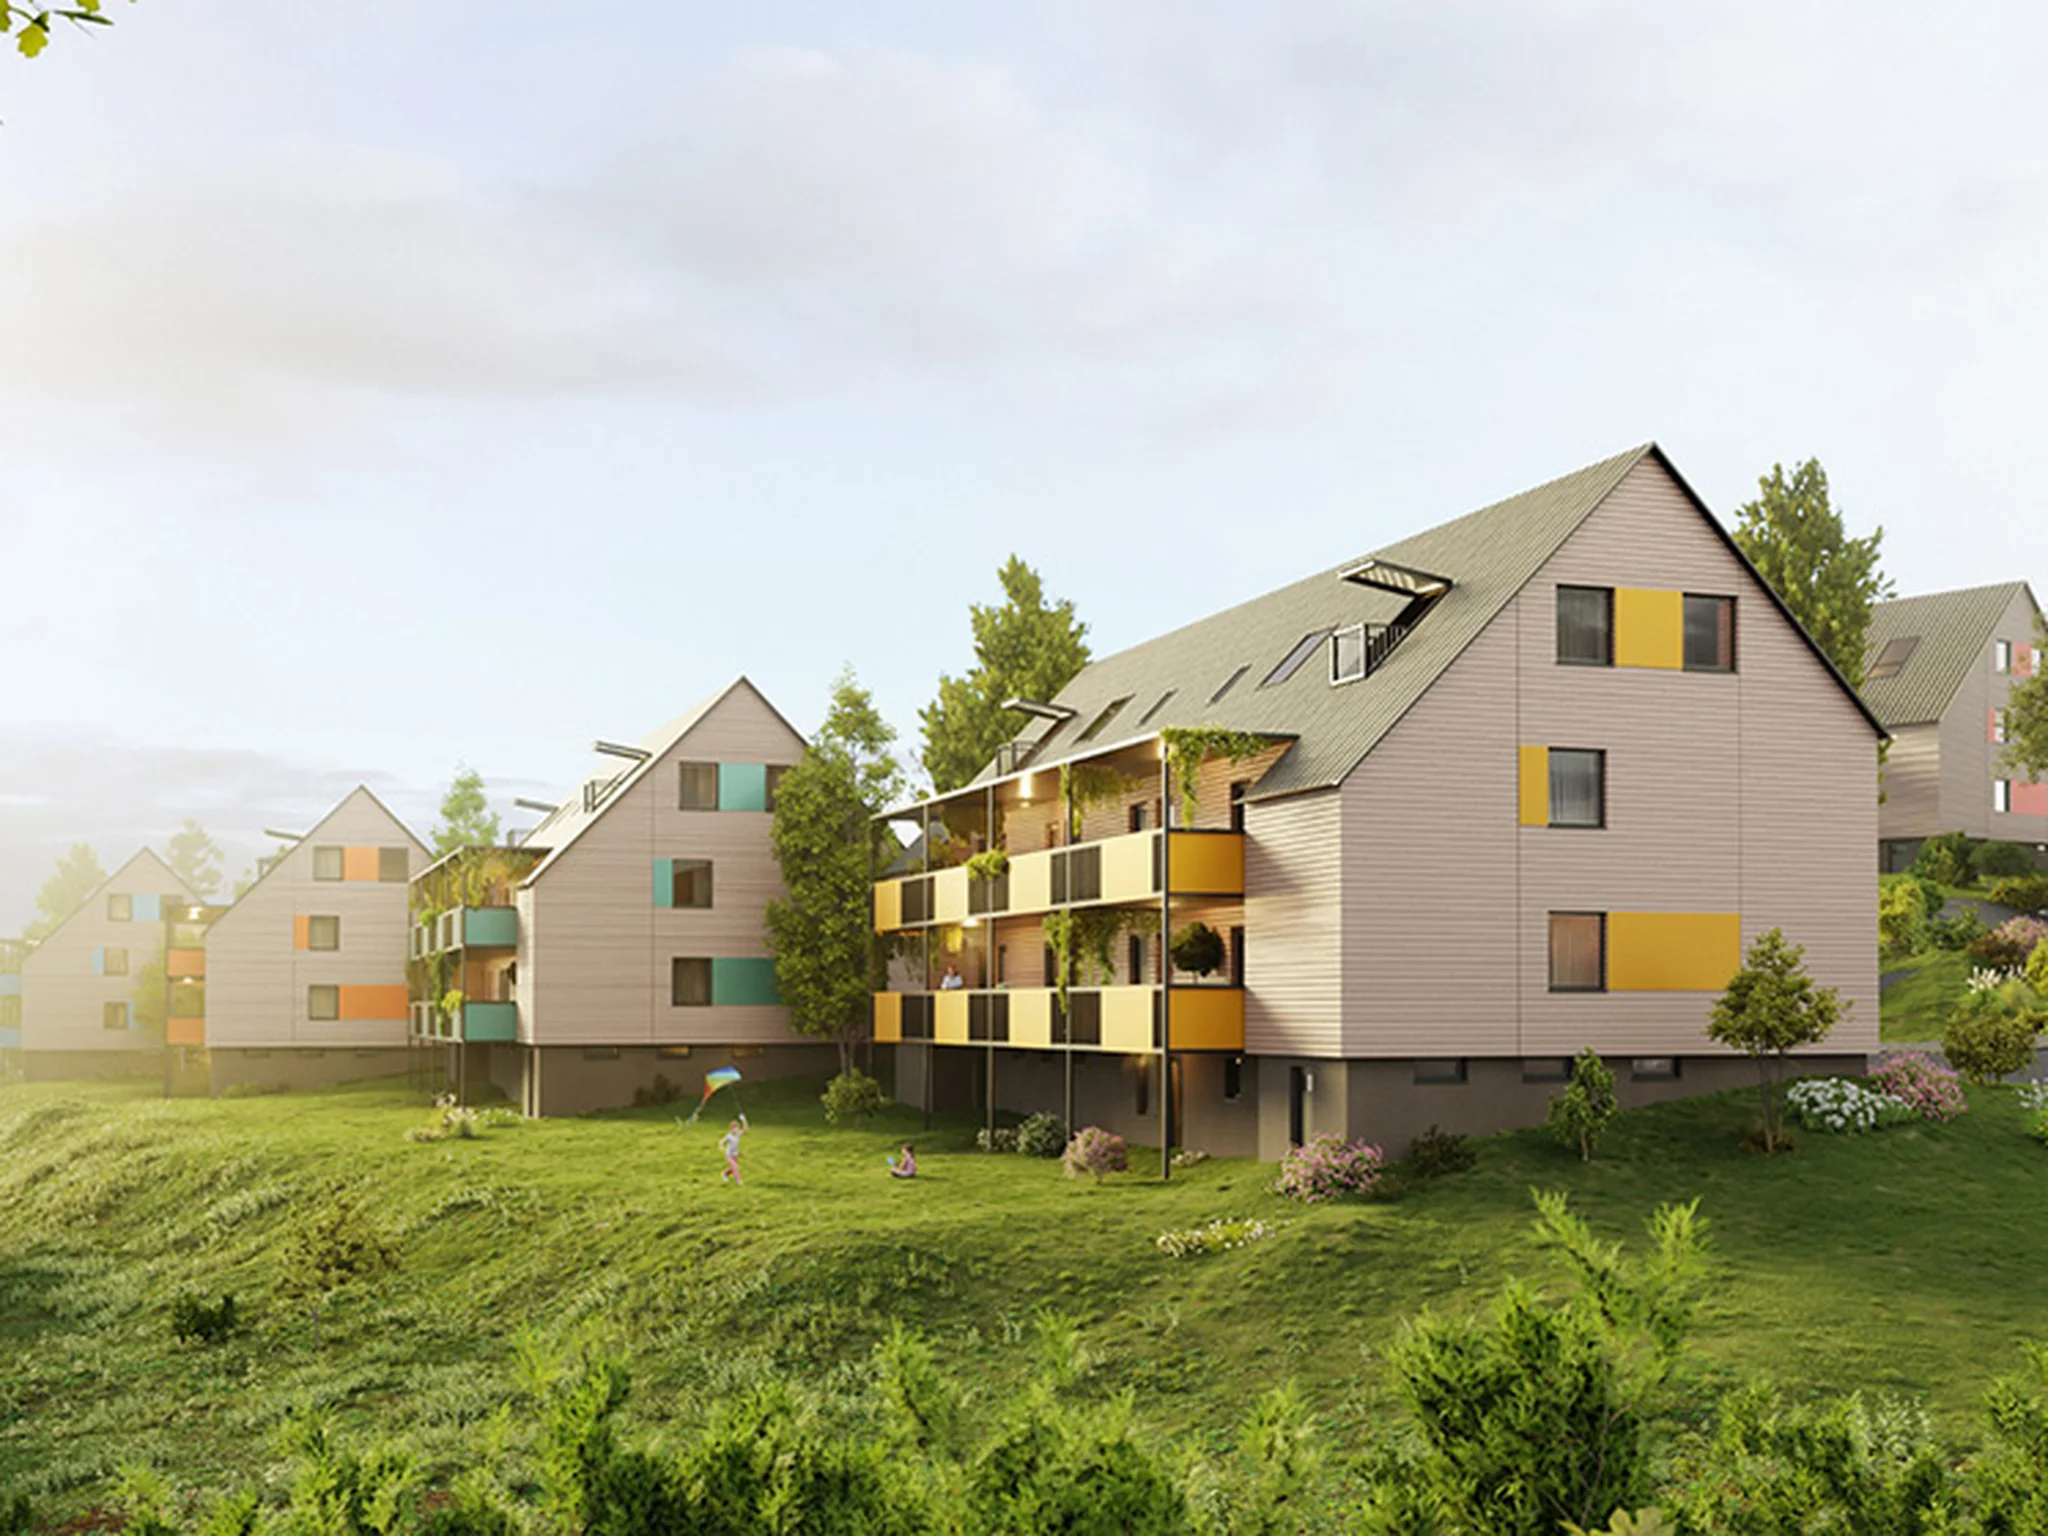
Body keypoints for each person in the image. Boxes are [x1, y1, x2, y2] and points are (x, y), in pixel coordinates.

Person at [719, 1113, 749, 1185]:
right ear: (731, 1129)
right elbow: (721, 1142)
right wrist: (721, 1146)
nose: (735, 1129)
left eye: (736, 1128)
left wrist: (743, 1119)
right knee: (735, 1167)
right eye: (734, 1128)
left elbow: (745, 1130)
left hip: (735, 1154)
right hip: (729, 1154)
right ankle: (738, 1181)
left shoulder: (738, 1134)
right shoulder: (729, 1136)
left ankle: (724, 1174)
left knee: (732, 1169)